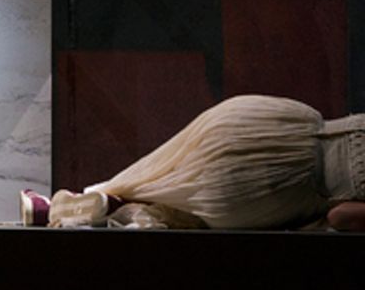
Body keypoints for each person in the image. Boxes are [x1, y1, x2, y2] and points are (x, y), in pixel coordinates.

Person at [20, 94, 364, 231]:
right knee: (178, 218)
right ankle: (95, 212)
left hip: (263, 124)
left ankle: (71, 203)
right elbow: (339, 216)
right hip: (277, 188)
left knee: (150, 173)